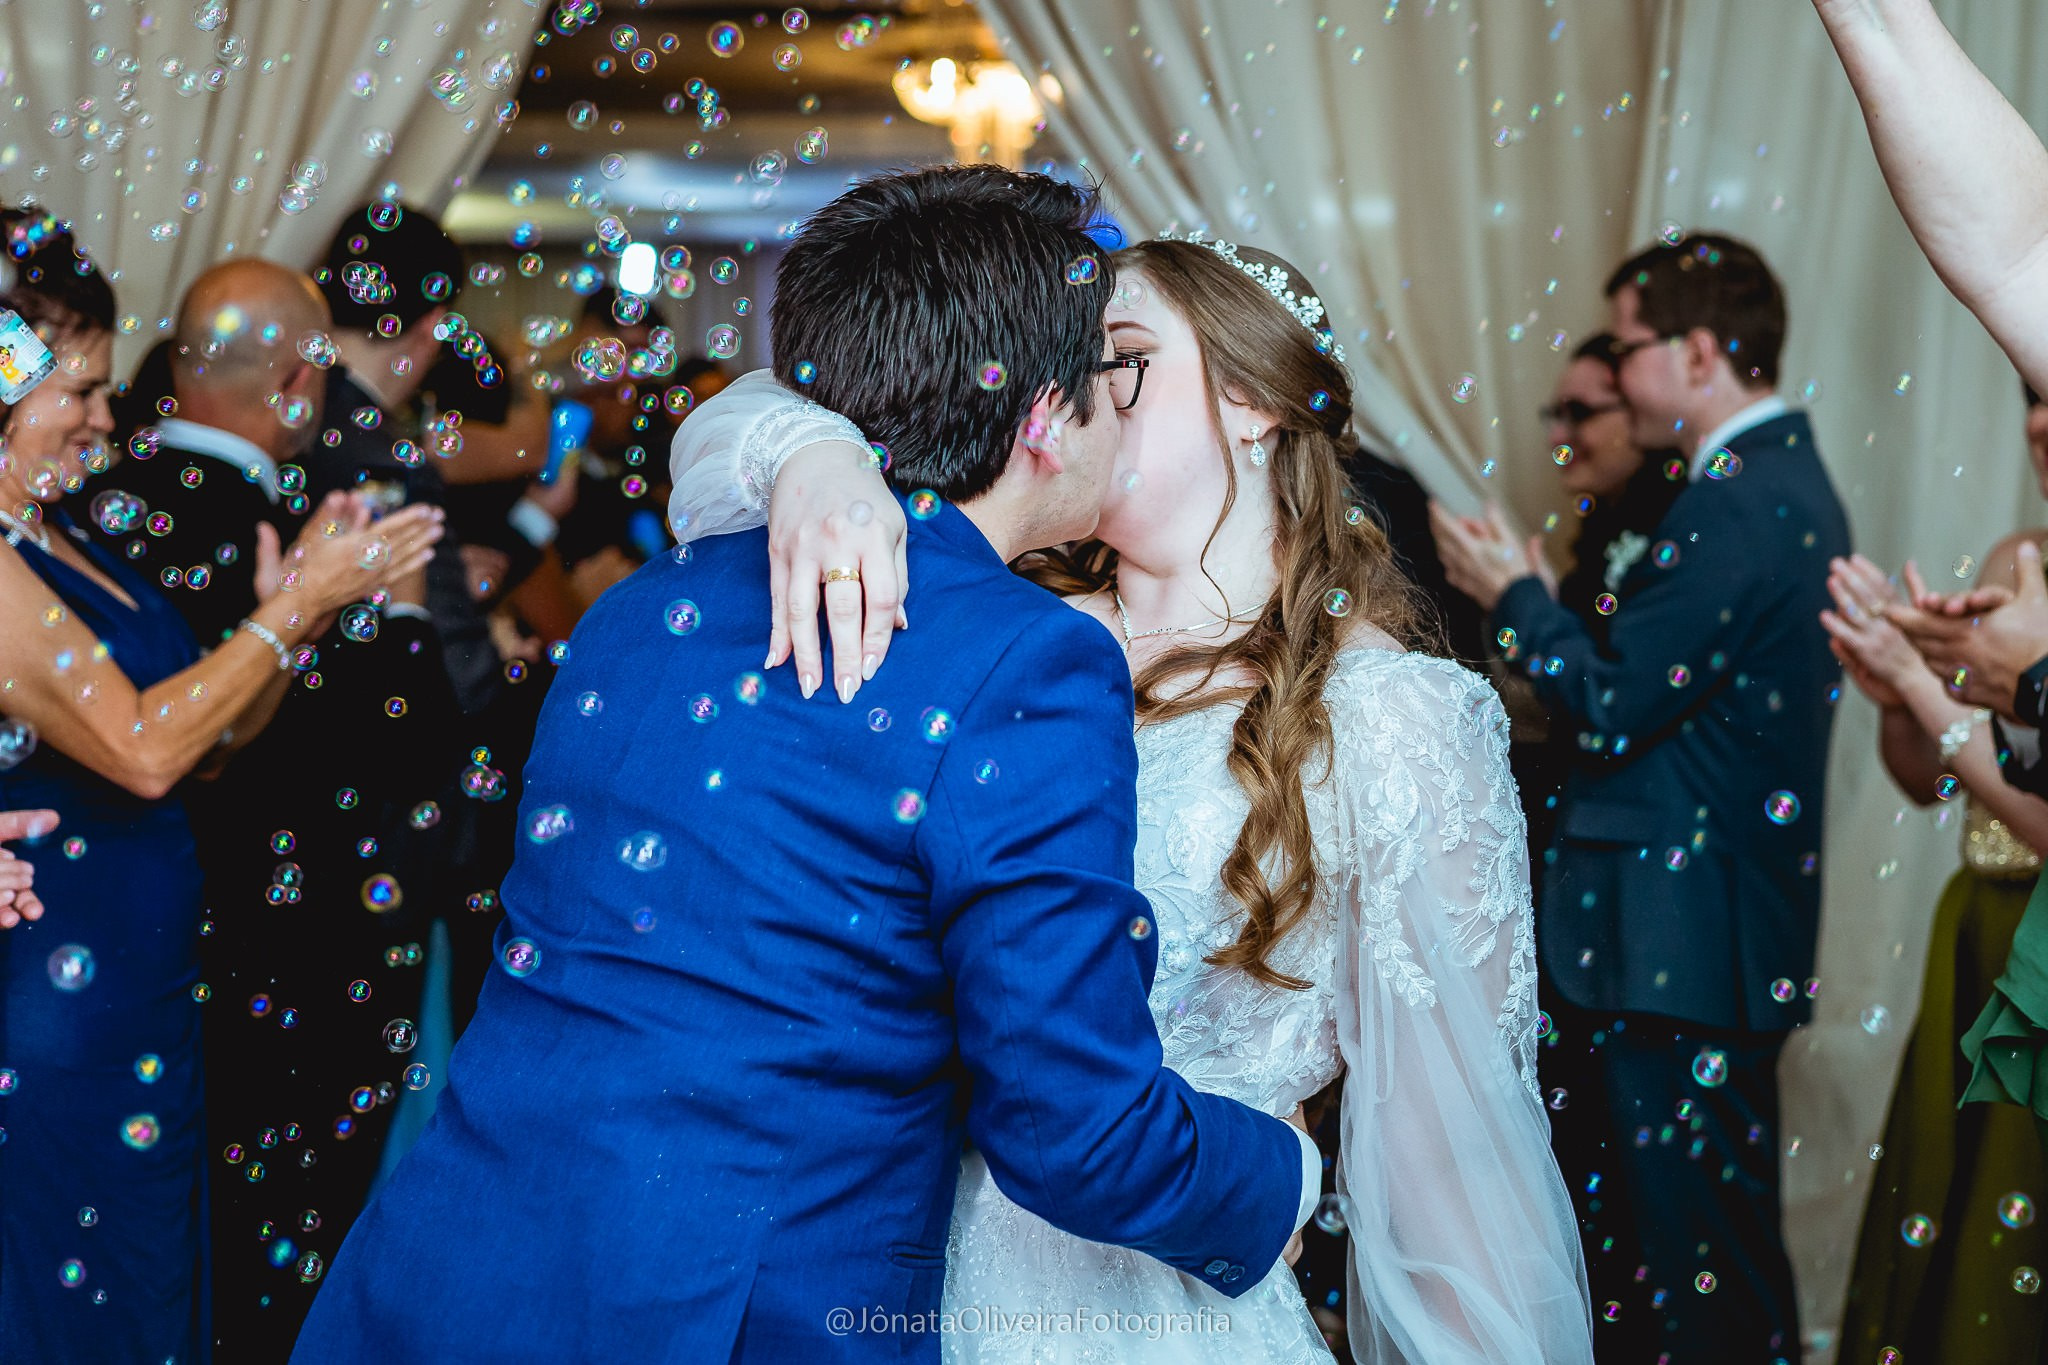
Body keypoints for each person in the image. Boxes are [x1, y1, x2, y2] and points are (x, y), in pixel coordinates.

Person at [291, 167, 1327, 1364]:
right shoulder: (1024, 659)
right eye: (1107, 377)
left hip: (438, 1275)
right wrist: (1288, 1175)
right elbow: (1073, 1133)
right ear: (1045, 416)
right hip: (725, 1321)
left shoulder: (641, 607)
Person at [661, 214, 1596, 1357]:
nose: (1073, 393)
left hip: (1164, 1308)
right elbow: (732, 435)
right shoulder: (982, 634)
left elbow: (1452, 1163)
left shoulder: (1395, 720)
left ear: (1253, 401)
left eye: (1121, 358)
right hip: (884, 1276)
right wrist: (819, 458)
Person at [0, 208, 441, 1364]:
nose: (108, 418)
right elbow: (142, 749)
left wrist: (294, 615)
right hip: (55, 994)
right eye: (78, 392)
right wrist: (296, 607)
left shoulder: (62, 535)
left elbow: (209, 743)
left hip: (144, 983)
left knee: (155, 1287)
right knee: (76, 1299)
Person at [1433, 235, 1851, 1364]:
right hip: (1696, 933)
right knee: (1692, 1252)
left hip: (1680, 939)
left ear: (1698, 353)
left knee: (1696, 1265)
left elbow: (1615, 703)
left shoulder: (1735, 501)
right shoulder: (1766, 485)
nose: (1617, 372)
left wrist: (1513, 594)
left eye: (1627, 347)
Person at [1824, 382, 2048, 1365]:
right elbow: (1929, 781)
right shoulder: (2014, 560)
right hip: (1978, 924)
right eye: (2028, 397)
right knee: (1951, 1200)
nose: (2037, 421)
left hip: (2042, 934)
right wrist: (1895, 699)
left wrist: (1926, 689)